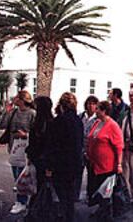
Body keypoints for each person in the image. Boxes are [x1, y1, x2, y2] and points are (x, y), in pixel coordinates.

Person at [45, 92, 83, 222]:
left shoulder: (58, 122)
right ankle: (69, 217)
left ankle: (64, 217)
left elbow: (53, 146)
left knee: (62, 195)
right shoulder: (78, 121)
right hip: (75, 163)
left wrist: (49, 166)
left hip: (60, 164)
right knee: (70, 195)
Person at [0, 90, 35, 214]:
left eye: (17, 98)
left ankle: (22, 201)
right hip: (14, 148)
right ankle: (21, 200)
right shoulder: (13, 112)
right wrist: (7, 111)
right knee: (16, 176)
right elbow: (1, 125)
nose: (15, 100)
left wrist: (26, 135)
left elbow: (37, 132)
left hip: (26, 148)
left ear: (22, 100)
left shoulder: (32, 114)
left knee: (23, 176)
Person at [87, 101, 123, 216]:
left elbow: (119, 146)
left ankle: (106, 213)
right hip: (95, 163)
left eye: (97, 109)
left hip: (107, 165)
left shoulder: (112, 125)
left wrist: (119, 164)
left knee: (105, 191)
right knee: (97, 188)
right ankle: (101, 210)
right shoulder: (97, 123)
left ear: (104, 111)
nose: (95, 111)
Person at [25, 96, 53, 204]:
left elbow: (35, 143)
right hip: (44, 160)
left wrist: (30, 156)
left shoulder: (40, 124)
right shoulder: (51, 122)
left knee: (38, 187)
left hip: (40, 160)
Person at [76, 95, 99, 201]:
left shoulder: (98, 119)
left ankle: (90, 195)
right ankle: (76, 195)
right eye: (89, 103)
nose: (91, 106)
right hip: (80, 148)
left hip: (91, 149)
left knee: (91, 174)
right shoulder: (80, 117)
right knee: (78, 173)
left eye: (93, 104)